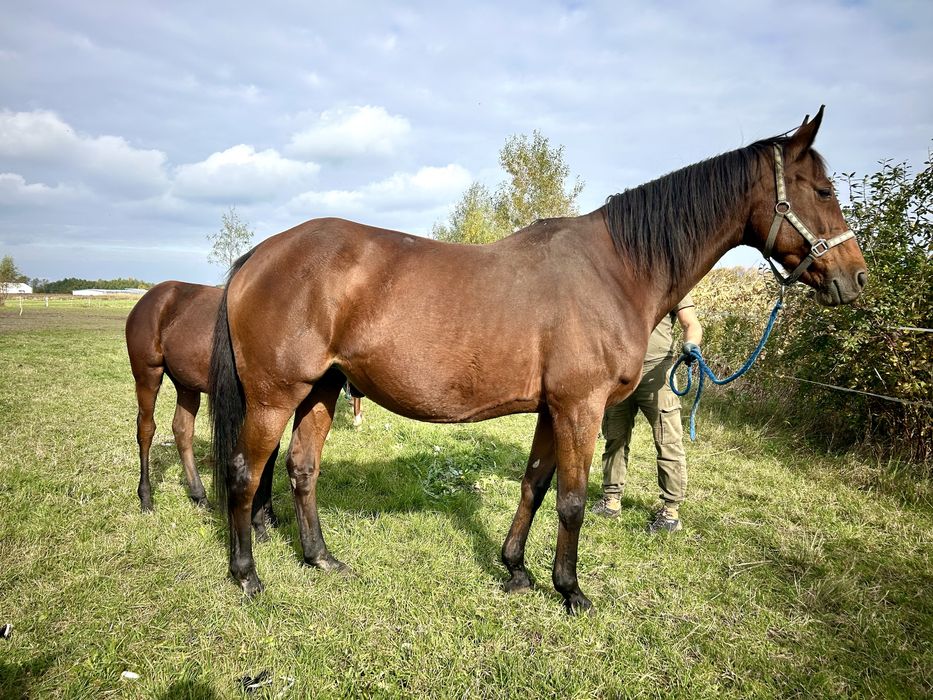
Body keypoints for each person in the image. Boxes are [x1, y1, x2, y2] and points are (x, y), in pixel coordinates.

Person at [591, 293, 703, 533]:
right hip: (620, 374)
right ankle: (611, 500)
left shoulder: (672, 279)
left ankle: (671, 512)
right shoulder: (619, 278)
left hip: (657, 374)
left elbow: (690, 323)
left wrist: (691, 344)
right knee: (615, 437)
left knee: (668, 441)